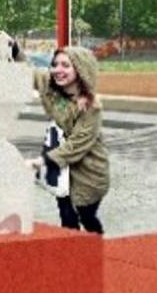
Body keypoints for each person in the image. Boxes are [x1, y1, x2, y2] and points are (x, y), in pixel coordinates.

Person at [29, 46, 110, 234]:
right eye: (55, 64)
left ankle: (95, 248)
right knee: (67, 217)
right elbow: (28, 72)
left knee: (86, 216)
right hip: (61, 170)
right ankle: (73, 255)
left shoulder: (92, 107)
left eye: (66, 65)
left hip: (89, 173)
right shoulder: (51, 88)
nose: (58, 70)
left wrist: (42, 161)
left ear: (81, 70)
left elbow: (77, 144)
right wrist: (12, 48)